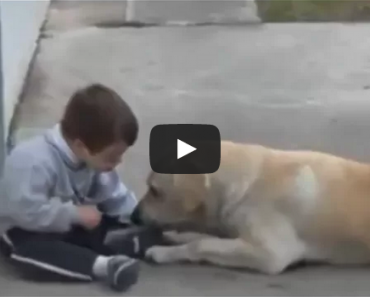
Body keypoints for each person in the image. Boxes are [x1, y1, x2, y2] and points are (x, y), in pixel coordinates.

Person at [0, 84, 155, 292]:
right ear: (81, 146)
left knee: (99, 223)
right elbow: (25, 213)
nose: (118, 162)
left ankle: (129, 241)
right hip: (21, 228)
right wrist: (73, 214)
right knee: (32, 251)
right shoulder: (31, 161)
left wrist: (135, 216)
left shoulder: (93, 161)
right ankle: (104, 266)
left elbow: (113, 195)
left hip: (65, 223)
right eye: (112, 156)